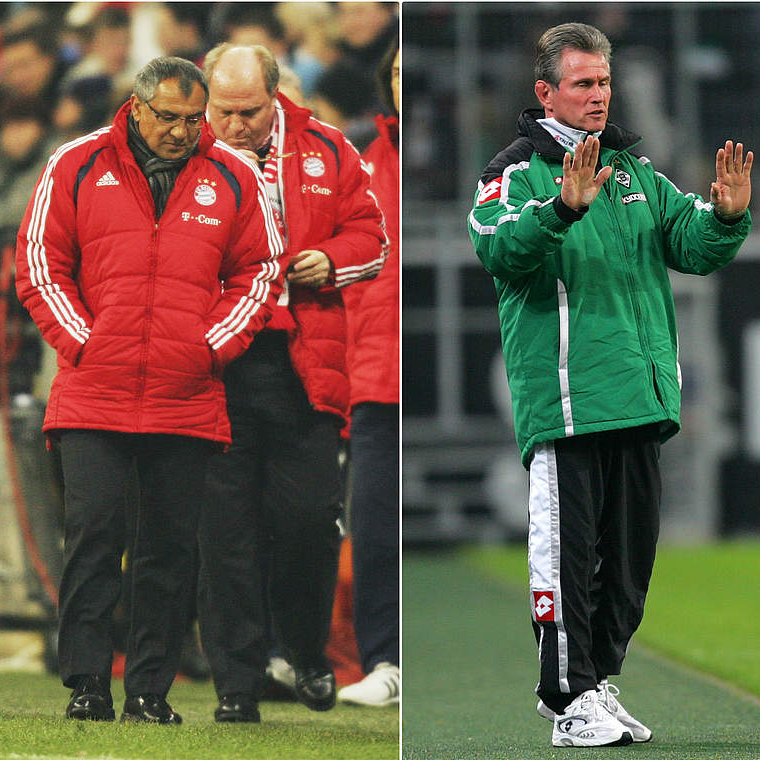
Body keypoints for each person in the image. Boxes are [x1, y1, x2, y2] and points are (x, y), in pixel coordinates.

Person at [468, 22, 754, 748]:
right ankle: (565, 697)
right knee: (566, 562)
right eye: (583, 84)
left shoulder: (634, 170)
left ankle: (594, 682)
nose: (599, 96)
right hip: (569, 402)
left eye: (604, 82)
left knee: (627, 567)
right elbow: (500, 250)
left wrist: (725, 214)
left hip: (639, 394)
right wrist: (562, 209)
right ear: (545, 93)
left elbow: (691, 244)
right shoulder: (515, 172)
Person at [13, 55, 284, 724]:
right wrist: (86, 342)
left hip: (185, 395)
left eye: (194, 120)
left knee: (168, 552)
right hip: (93, 393)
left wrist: (209, 348)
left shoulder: (232, 175)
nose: (182, 131)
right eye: (168, 117)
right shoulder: (74, 164)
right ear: (135, 108)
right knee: (93, 537)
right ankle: (86, 682)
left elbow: (261, 273)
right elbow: (40, 261)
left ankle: (148, 692)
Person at [196, 42, 387, 724]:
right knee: (226, 534)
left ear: (277, 97)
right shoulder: (186, 156)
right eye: (224, 110)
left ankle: (305, 650)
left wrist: (329, 260)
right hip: (218, 365)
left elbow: (373, 237)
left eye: (250, 111)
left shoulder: (330, 150)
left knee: (307, 522)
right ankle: (237, 687)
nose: (236, 124)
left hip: (305, 369)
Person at [337, 40, 399, 709]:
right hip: (375, 371)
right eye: (396, 72)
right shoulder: (359, 161)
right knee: (375, 526)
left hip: (412, 364)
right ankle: (385, 660)